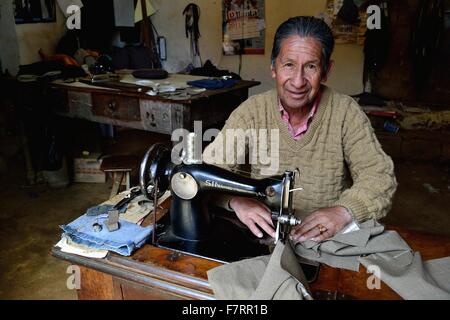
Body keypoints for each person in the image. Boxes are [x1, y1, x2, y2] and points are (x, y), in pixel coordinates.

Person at [202, 16, 397, 244]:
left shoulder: (346, 113)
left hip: (327, 240)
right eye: (289, 65)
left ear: (326, 71)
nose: (298, 81)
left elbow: (379, 177)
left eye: (311, 67)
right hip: (266, 237)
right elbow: (207, 173)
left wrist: (344, 211)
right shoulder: (251, 112)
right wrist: (235, 200)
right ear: (273, 67)